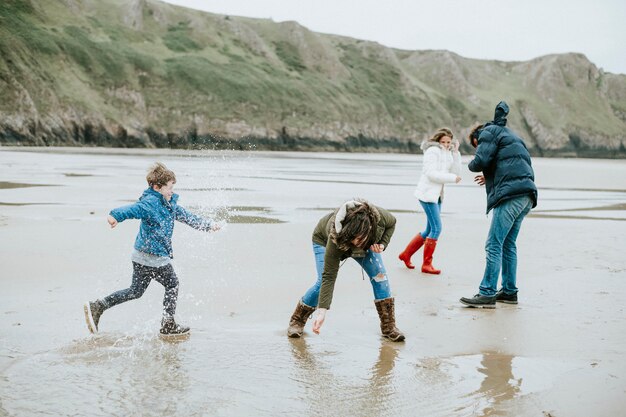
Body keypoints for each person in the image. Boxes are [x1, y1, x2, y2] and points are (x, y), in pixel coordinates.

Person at [83, 162, 221, 335]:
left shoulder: (169, 204)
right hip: (154, 258)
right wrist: (115, 216)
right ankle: (168, 324)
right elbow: (133, 209)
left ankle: (98, 306)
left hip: (141, 257)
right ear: (157, 187)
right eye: (169, 187)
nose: (172, 191)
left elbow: (187, 216)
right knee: (172, 284)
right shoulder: (150, 204)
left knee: (135, 291)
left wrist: (207, 225)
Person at [287, 200, 405, 342]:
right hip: (325, 241)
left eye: (360, 239)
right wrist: (322, 313)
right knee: (320, 283)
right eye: (353, 239)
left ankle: (389, 327)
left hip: (367, 244)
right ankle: (297, 320)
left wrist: (382, 244)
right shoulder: (335, 236)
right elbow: (328, 277)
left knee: (381, 278)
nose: (357, 243)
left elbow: (392, 223)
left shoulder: (379, 217)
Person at [460, 101, 538, 308]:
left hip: (511, 197)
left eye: (477, 146)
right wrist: (493, 176)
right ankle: (510, 292)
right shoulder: (510, 135)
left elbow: (480, 161)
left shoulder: (487, 134)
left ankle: (487, 292)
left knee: (493, 244)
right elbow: (514, 163)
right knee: (508, 244)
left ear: (477, 139)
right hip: (526, 196)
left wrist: (473, 164)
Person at [398, 128, 461, 274]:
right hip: (427, 195)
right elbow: (431, 174)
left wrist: (456, 153)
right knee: (437, 229)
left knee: (429, 230)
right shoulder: (432, 151)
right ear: (437, 141)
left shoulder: (448, 153)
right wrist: (452, 178)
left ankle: (405, 255)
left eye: (448, 142)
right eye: (443, 142)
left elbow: (456, 172)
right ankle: (426, 265)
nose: (446, 144)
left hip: (437, 195)